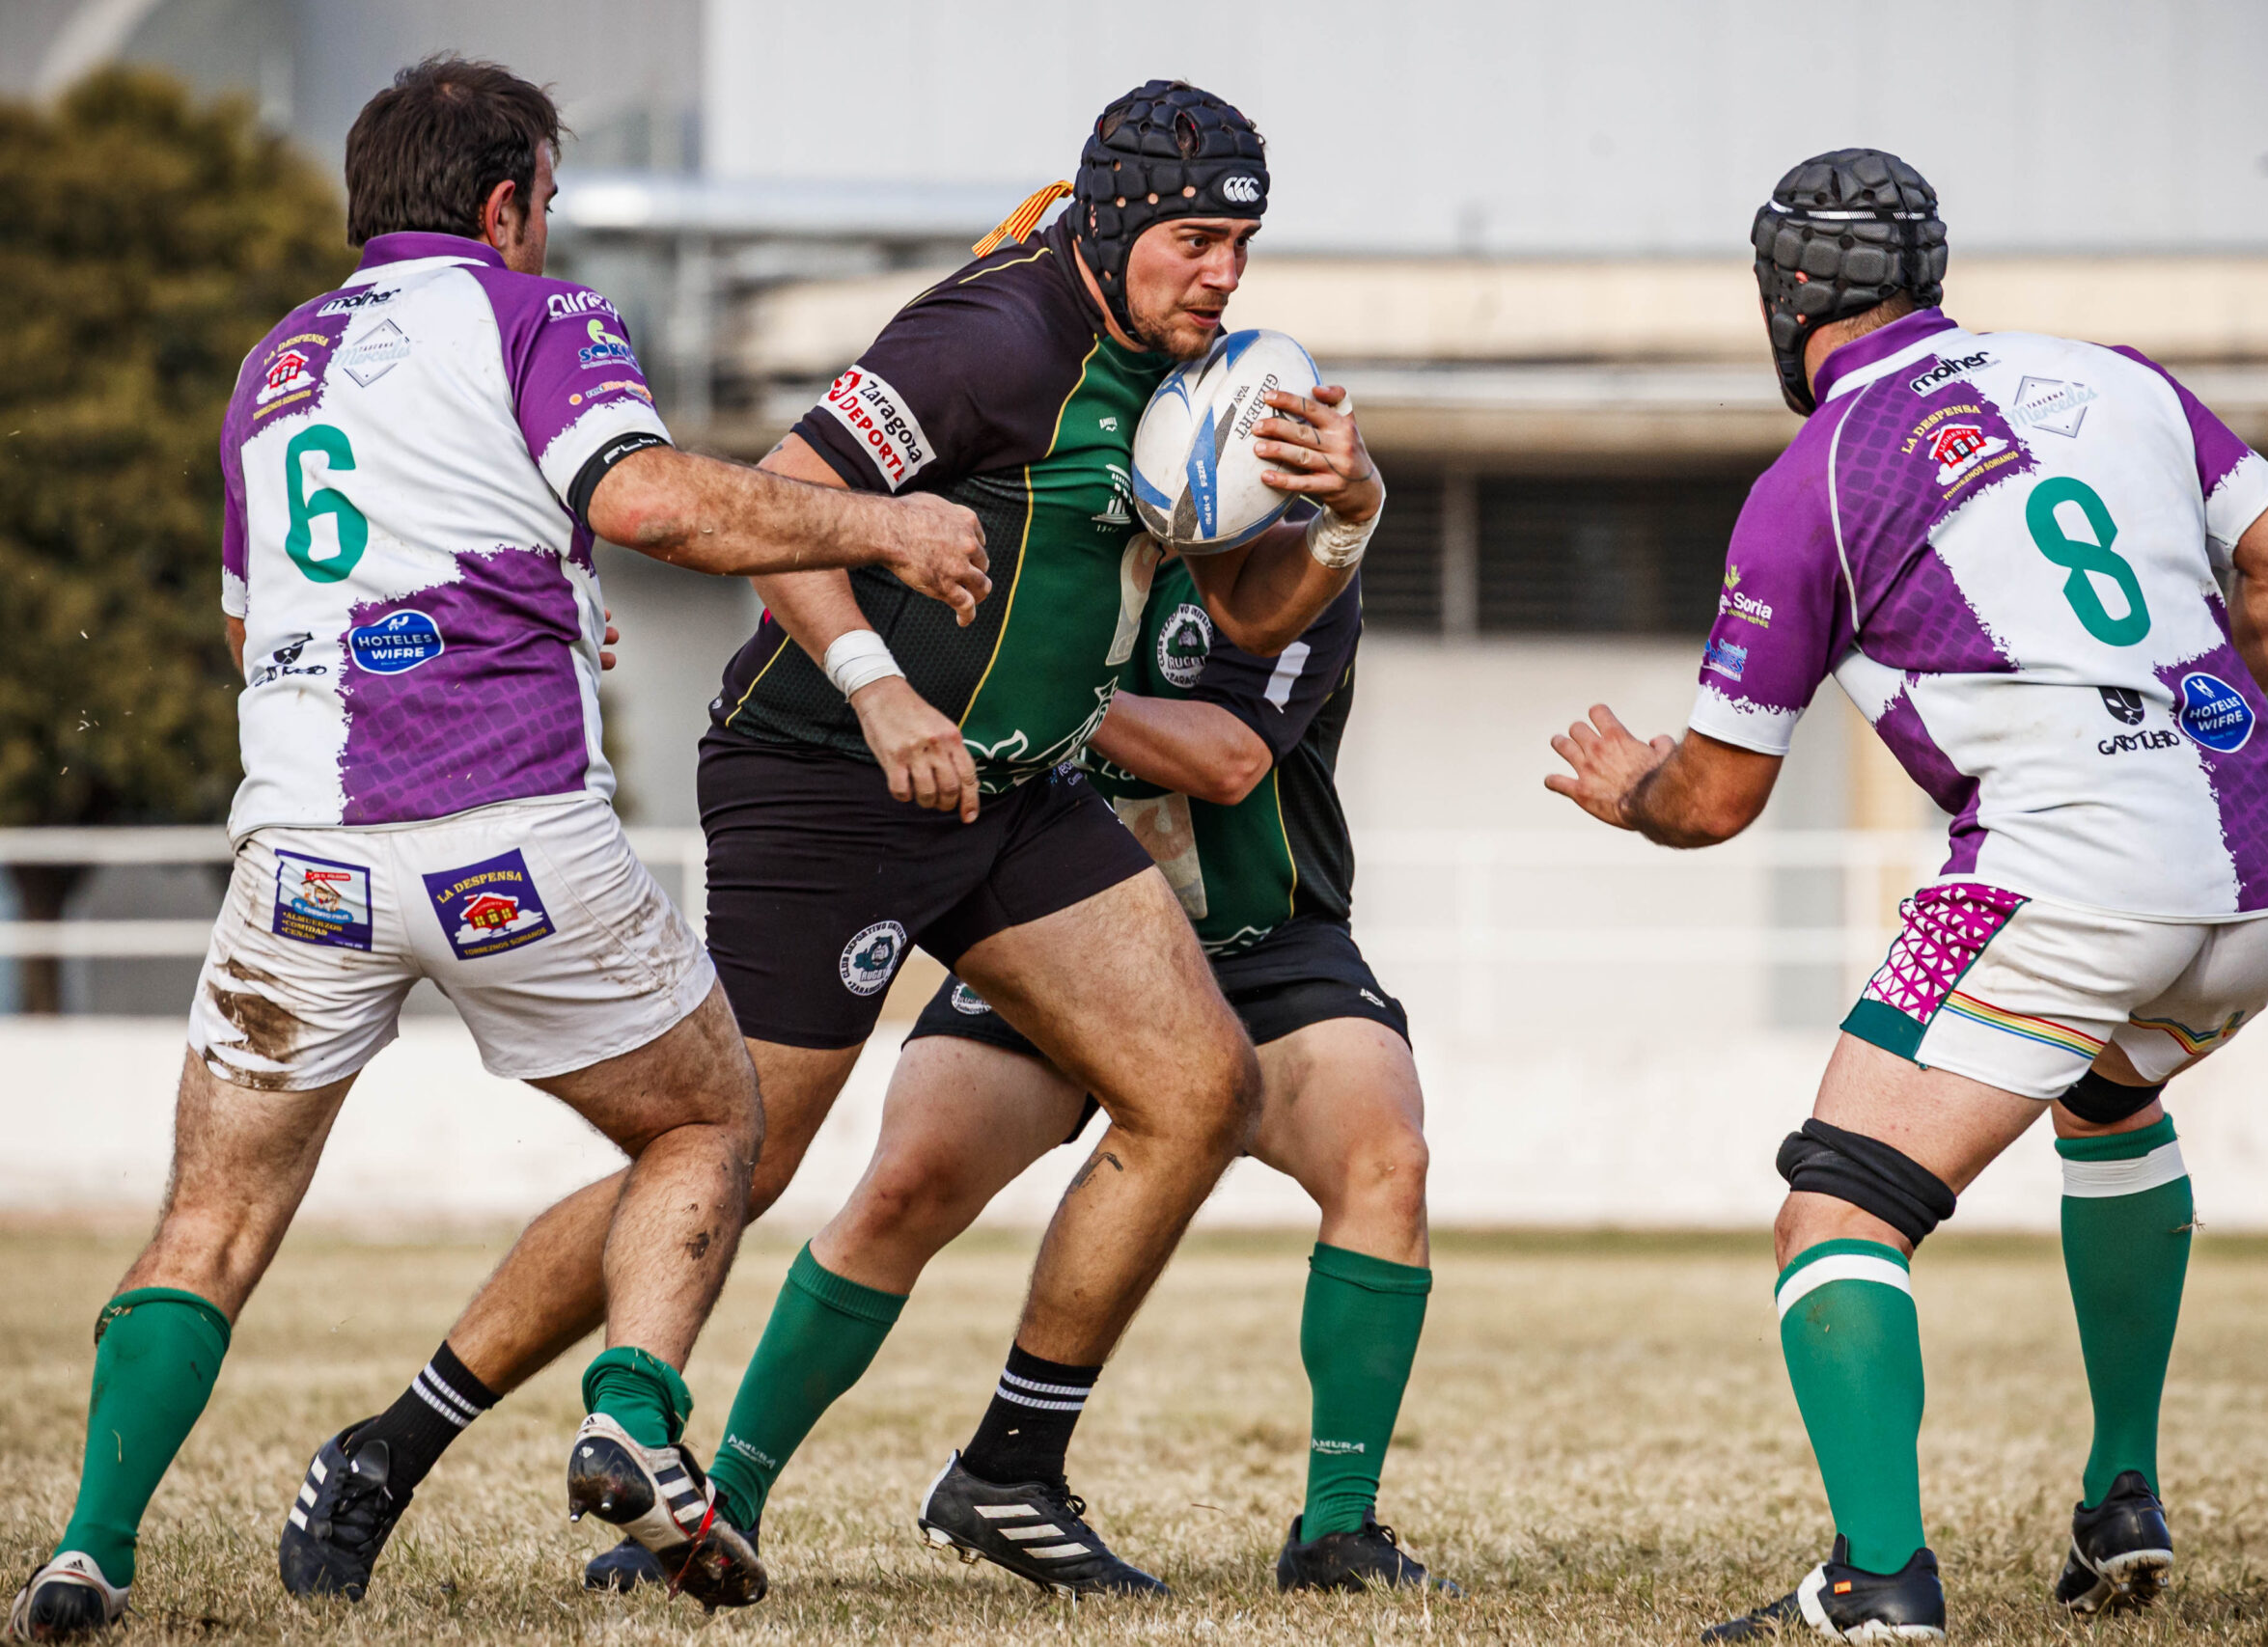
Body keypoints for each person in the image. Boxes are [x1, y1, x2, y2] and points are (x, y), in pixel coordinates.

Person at [267, 78, 1385, 1603]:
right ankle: (388, 1446)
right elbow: (785, 500)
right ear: (1118, 217)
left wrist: (1346, 514)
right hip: (825, 780)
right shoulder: (991, 338)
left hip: (1013, 791)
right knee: (733, 1154)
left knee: (1202, 1088)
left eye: (1243, 244)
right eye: (1197, 239)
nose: (1225, 273)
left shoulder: (1195, 370)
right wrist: (876, 686)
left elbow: (1251, 615)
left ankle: (1010, 1466)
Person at [4, 55, 990, 1641]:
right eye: (546, 199)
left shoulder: (272, 366)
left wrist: (543, 600)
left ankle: (89, 1547)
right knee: (709, 1120)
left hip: (303, 861)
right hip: (507, 838)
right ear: (506, 201)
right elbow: (651, 500)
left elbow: (265, 625)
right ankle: (634, 1408)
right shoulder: (540, 315)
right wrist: (888, 525)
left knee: (211, 1221)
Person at [1546, 149, 2268, 1641]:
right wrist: (2173, 738)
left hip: (2065, 870)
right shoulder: (2117, 377)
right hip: (2263, 867)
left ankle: (1878, 1581)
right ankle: (2120, 1489)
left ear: (1788, 298)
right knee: (2107, 1090)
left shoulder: (1817, 474)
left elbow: (1714, 798)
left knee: (1838, 1201)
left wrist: (1630, 788)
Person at [586, 549, 1453, 1597]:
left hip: (1262, 941)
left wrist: (1033, 687)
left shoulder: (1296, 556)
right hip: (1058, 937)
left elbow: (1227, 758)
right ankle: (729, 1497)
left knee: (1385, 1160)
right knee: (906, 1182)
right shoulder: (1042, 522)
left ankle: (1336, 1531)